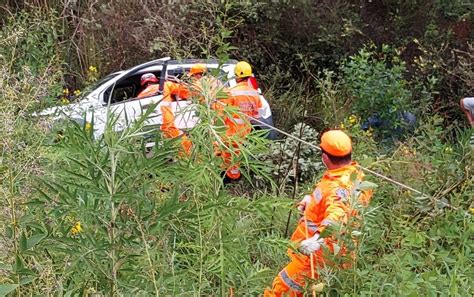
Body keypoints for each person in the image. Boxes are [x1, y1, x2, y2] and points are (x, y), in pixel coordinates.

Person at [264, 130, 373, 296]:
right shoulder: (353, 175)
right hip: (335, 253)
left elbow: (340, 213)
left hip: (317, 255)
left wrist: (317, 239)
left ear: (325, 157)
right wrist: (312, 201)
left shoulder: (340, 186)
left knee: (281, 288)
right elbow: (332, 202)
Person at [216, 61, 262, 181]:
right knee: (237, 154)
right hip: (245, 132)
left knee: (226, 154)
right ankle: (235, 177)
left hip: (230, 131)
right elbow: (257, 115)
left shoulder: (231, 92)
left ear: (236, 76)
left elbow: (221, 113)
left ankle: (228, 178)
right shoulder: (255, 93)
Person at [159, 64, 207, 154]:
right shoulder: (167, 85)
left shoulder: (145, 93)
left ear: (198, 75)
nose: (192, 79)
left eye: (192, 76)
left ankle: (189, 161)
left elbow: (191, 93)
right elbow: (186, 92)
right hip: (167, 122)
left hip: (163, 123)